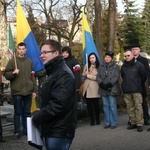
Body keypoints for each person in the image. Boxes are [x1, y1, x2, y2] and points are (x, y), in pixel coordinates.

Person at [32, 39, 76, 150]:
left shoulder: (63, 74)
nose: (41, 55)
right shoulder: (54, 72)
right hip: (54, 129)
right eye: (41, 53)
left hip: (59, 131)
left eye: (45, 52)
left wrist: (38, 117)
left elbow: (58, 105)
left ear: (56, 53)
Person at [4, 42, 37, 140]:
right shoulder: (11, 61)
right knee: (17, 113)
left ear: (25, 50)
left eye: (23, 49)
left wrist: (34, 90)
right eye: (20, 49)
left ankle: (27, 131)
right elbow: (6, 74)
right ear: (17, 50)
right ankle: (17, 132)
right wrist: (13, 73)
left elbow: (33, 76)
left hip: (28, 91)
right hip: (17, 91)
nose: (21, 50)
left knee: (27, 113)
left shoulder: (29, 61)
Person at [121, 50, 147, 132]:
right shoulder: (123, 66)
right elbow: (123, 76)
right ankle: (133, 122)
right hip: (127, 90)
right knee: (129, 107)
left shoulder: (139, 65)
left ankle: (139, 123)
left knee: (138, 107)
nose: (127, 57)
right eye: (125, 56)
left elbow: (144, 76)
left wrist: (138, 83)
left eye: (128, 55)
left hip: (137, 90)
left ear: (132, 55)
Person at [97, 51, 121, 129]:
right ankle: (107, 122)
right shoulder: (101, 66)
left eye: (109, 57)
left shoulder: (115, 66)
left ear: (111, 58)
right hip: (103, 88)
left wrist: (110, 84)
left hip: (112, 88)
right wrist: (100, 83)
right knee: (105, 106)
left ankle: (114, 122)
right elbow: (98, 76)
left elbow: (116, 76)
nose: (107, 58)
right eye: (106, 57)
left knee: (112, 105)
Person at [131, 44, 150, 126]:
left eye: (136, 49)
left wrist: (148, 83)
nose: (134, 50)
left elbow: (147, 73)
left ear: (139, 50)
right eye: (133, 49)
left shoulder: (144, 60)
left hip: (141, 84)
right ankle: (134, 120)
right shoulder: (128, 59)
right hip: (131, 85)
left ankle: (146, 118)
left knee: (143, 103)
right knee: (132, 104)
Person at [82, 52, 100, 126]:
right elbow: (83, 74)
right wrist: (85, 73)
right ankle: (92, 119)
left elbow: (99, 78)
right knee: (89, 105)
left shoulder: (99, 66)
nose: (92, 59)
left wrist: (90, 77)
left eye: (93, 58)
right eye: (90, 58)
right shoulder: (87, 65)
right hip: (87, 87)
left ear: (96, 58)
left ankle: (97, 119)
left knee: (96, 105)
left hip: (94, 87)